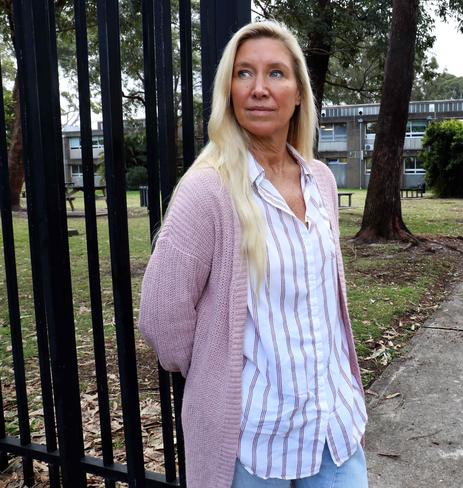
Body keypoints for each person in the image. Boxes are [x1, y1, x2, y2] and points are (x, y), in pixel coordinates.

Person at [138, 21, 368, 488]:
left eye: (276, 74)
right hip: (253, 443)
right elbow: (162, 318)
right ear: (229, 90)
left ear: (300, 94)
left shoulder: (320, 180)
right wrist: (214, 367)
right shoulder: (207, 191)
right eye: (244, 74)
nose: (260, 88)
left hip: (334, 431)